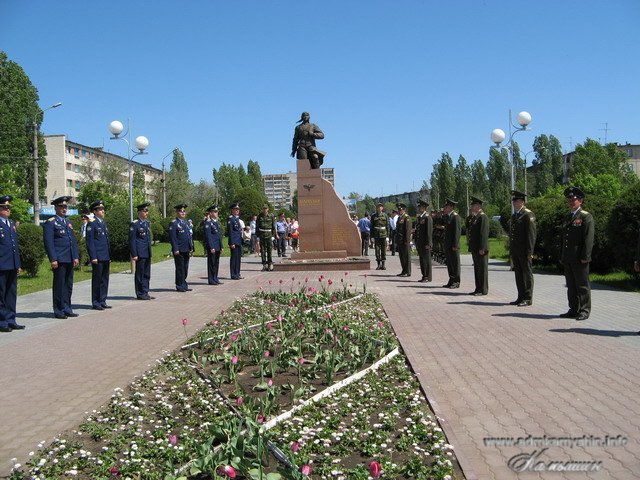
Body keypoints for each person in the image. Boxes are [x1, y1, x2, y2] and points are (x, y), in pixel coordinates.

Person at [559, 186, 594, 321]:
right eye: (570, 200)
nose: (571, 202)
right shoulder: (568, 216)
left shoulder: (585, 216)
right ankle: (573, 309)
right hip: (568, 257)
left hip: (580, 258)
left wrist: (586, 256)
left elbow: (588, 238)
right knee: (571, 285)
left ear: (581, 201)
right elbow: (564, 238)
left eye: (574, 199)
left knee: (582, 285)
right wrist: (562, 255)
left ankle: (584, 310)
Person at [43, 196, 80, 319]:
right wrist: (53, 259)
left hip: (69, 258)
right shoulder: (51, 222)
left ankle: (67, 307)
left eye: (65, 207)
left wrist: (75, 256)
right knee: (59, 285)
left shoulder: (68, 223)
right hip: (59, 258)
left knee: (68, 285)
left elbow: (72, 241)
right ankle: (58, 310)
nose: (64, 209)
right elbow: (49, 242)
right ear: (56, 208)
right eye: (61, 207)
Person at [0, 195, 25, 332]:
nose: (8, 209)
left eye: (9, 207)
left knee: (11, 293)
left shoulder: (10, 224)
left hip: (12, 264)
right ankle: (2, 321)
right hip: (2, 264)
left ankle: (11, 319)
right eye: (4, 207)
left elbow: (15, 246)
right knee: (1, 294)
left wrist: (18, 264)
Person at [509, 190, 537, 306]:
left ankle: (528, 298)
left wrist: (530, 252)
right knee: (518, 275)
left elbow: (531, 235)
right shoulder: (515, 215)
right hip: (516, 251)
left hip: (525, 251)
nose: (514, 202)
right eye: (513, 201)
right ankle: (520, 297)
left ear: (522, 202)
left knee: (526, 274)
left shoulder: (528, 215)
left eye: (516, 200)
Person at [86, 200, 111, 310]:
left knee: (104, 279)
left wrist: (109, 256)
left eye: (103, 209)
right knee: (97, 280)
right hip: (98, 257)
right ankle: (96, 301)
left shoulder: (103, 223)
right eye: (100, 209)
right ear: (95, 211)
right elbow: (90, 241)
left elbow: (106, 241)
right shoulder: (92, 223)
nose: (103, 211)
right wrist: (93, 257)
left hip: (105, 256)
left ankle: (103, 300)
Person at [129, 202, 154, 300]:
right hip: (140, 253)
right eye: (145, 211)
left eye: (147, 211)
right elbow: (132, 240)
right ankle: (140, 293)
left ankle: (145, 291)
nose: (146, 213)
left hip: (147, 252)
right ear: (139, 212)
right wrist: (134, 254)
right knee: (140, 274)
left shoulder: (147, 223)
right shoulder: (135, 224)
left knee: (147, 274)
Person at [169, 204, 194, 292]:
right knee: (180, 268)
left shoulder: (186, 223)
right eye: (181, 211)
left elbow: (189, 236)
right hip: (179, 250)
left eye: (184, 211)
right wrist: (175, 249)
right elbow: (173, 238)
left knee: (185, 268)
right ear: (177, 212)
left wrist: (191, 248)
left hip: (186, 248)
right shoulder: (174, 223)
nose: (183, 212)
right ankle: (179, 285)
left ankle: (184, 283)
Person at [467, 197, 489, 296]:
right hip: (475, 248)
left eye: (473, 205)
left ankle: (483, 289)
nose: (472, 207)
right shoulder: (475, 217)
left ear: (479, 206)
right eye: (472, 205)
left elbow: (483, 234)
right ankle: (478, 288)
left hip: (480, 248)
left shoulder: (482, 217)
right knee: (477, 269)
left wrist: (482, 248)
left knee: (482, 269)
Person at [442, 199, 461, 288]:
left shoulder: (455, 217)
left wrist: (455, 245)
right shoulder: (448, 216)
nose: (445, 208)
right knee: (449, 263)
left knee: (455, 264)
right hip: (448, 244)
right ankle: (451, 280)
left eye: (447, 206)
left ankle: (456, 281)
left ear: (451, 207)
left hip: (453, 245)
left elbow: (457, 232)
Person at [203, 204, 223, 285]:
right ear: (210, 213)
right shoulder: (208, 223)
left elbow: (218, 236)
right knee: (211, 263)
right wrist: (211, 247)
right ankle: (211, 279)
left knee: (216, 263)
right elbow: (208, 236)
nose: (216, 213)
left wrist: (221, 246)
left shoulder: (216, 223)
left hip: (217, 246)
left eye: (217, 212)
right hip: (212, 247)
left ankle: (215, 277)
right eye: (214, 212)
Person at [414, 200, 433, 282]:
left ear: (424, 208)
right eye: (419, 207)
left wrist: (428, 243)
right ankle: (424, 275)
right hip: (420, 242)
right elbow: (417, 230)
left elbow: (428, 232)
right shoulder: (420, 217)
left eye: (420, 207)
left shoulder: (427, 217)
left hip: (425, 243)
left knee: (426, 259)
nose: (419, 208)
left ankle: (427, 276)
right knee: (422, 260)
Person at [257, 205, 277, 271]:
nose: (265, 210)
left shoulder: (271, 216)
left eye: (266, 208)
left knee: (269, 251)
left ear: (268, 209)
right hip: (262, 234)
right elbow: (257, 227)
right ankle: (264, 265)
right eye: (263, 208)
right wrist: (257, 236)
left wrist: (273, 236)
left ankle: (269, 265)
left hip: (269, 234)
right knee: (262, 251)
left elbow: (273, 227)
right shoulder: (259, 216)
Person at [395, 203, 412, 277]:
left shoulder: (406, 217)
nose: (399, 211)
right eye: (398, 210)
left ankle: (408, 271)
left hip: (404, 241)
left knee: (406, 256)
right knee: (402, 256)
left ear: (404, 210)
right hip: (400, 240)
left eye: (400, 210)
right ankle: (403, 270)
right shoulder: (399, 218)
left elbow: (407, 230)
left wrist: (407, 240)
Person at [370, 203, 389, 270]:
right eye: (378, 207)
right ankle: (378, 265)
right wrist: (371, 237)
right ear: (376, 208)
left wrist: (388, 237)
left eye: (380, 207)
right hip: (376, 235)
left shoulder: (385, 215)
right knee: (377, 251)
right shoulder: (373, 216)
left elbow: (387, 226)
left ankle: (383, 265)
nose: (379, 208)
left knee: (383, 251)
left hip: (383, 235)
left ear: (382, 208)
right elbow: (371, 227)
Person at [227, 203, 243, 279]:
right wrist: (232, 242)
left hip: (238, 241)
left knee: (238, 258)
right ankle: (233, 274)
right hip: (234, 242)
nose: (237, 211)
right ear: (232, 210)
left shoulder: (236, 219)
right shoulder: (231, 219)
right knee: (234, 258)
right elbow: (230, 232)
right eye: (236, 209)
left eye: (238, 209)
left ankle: (237, 273)